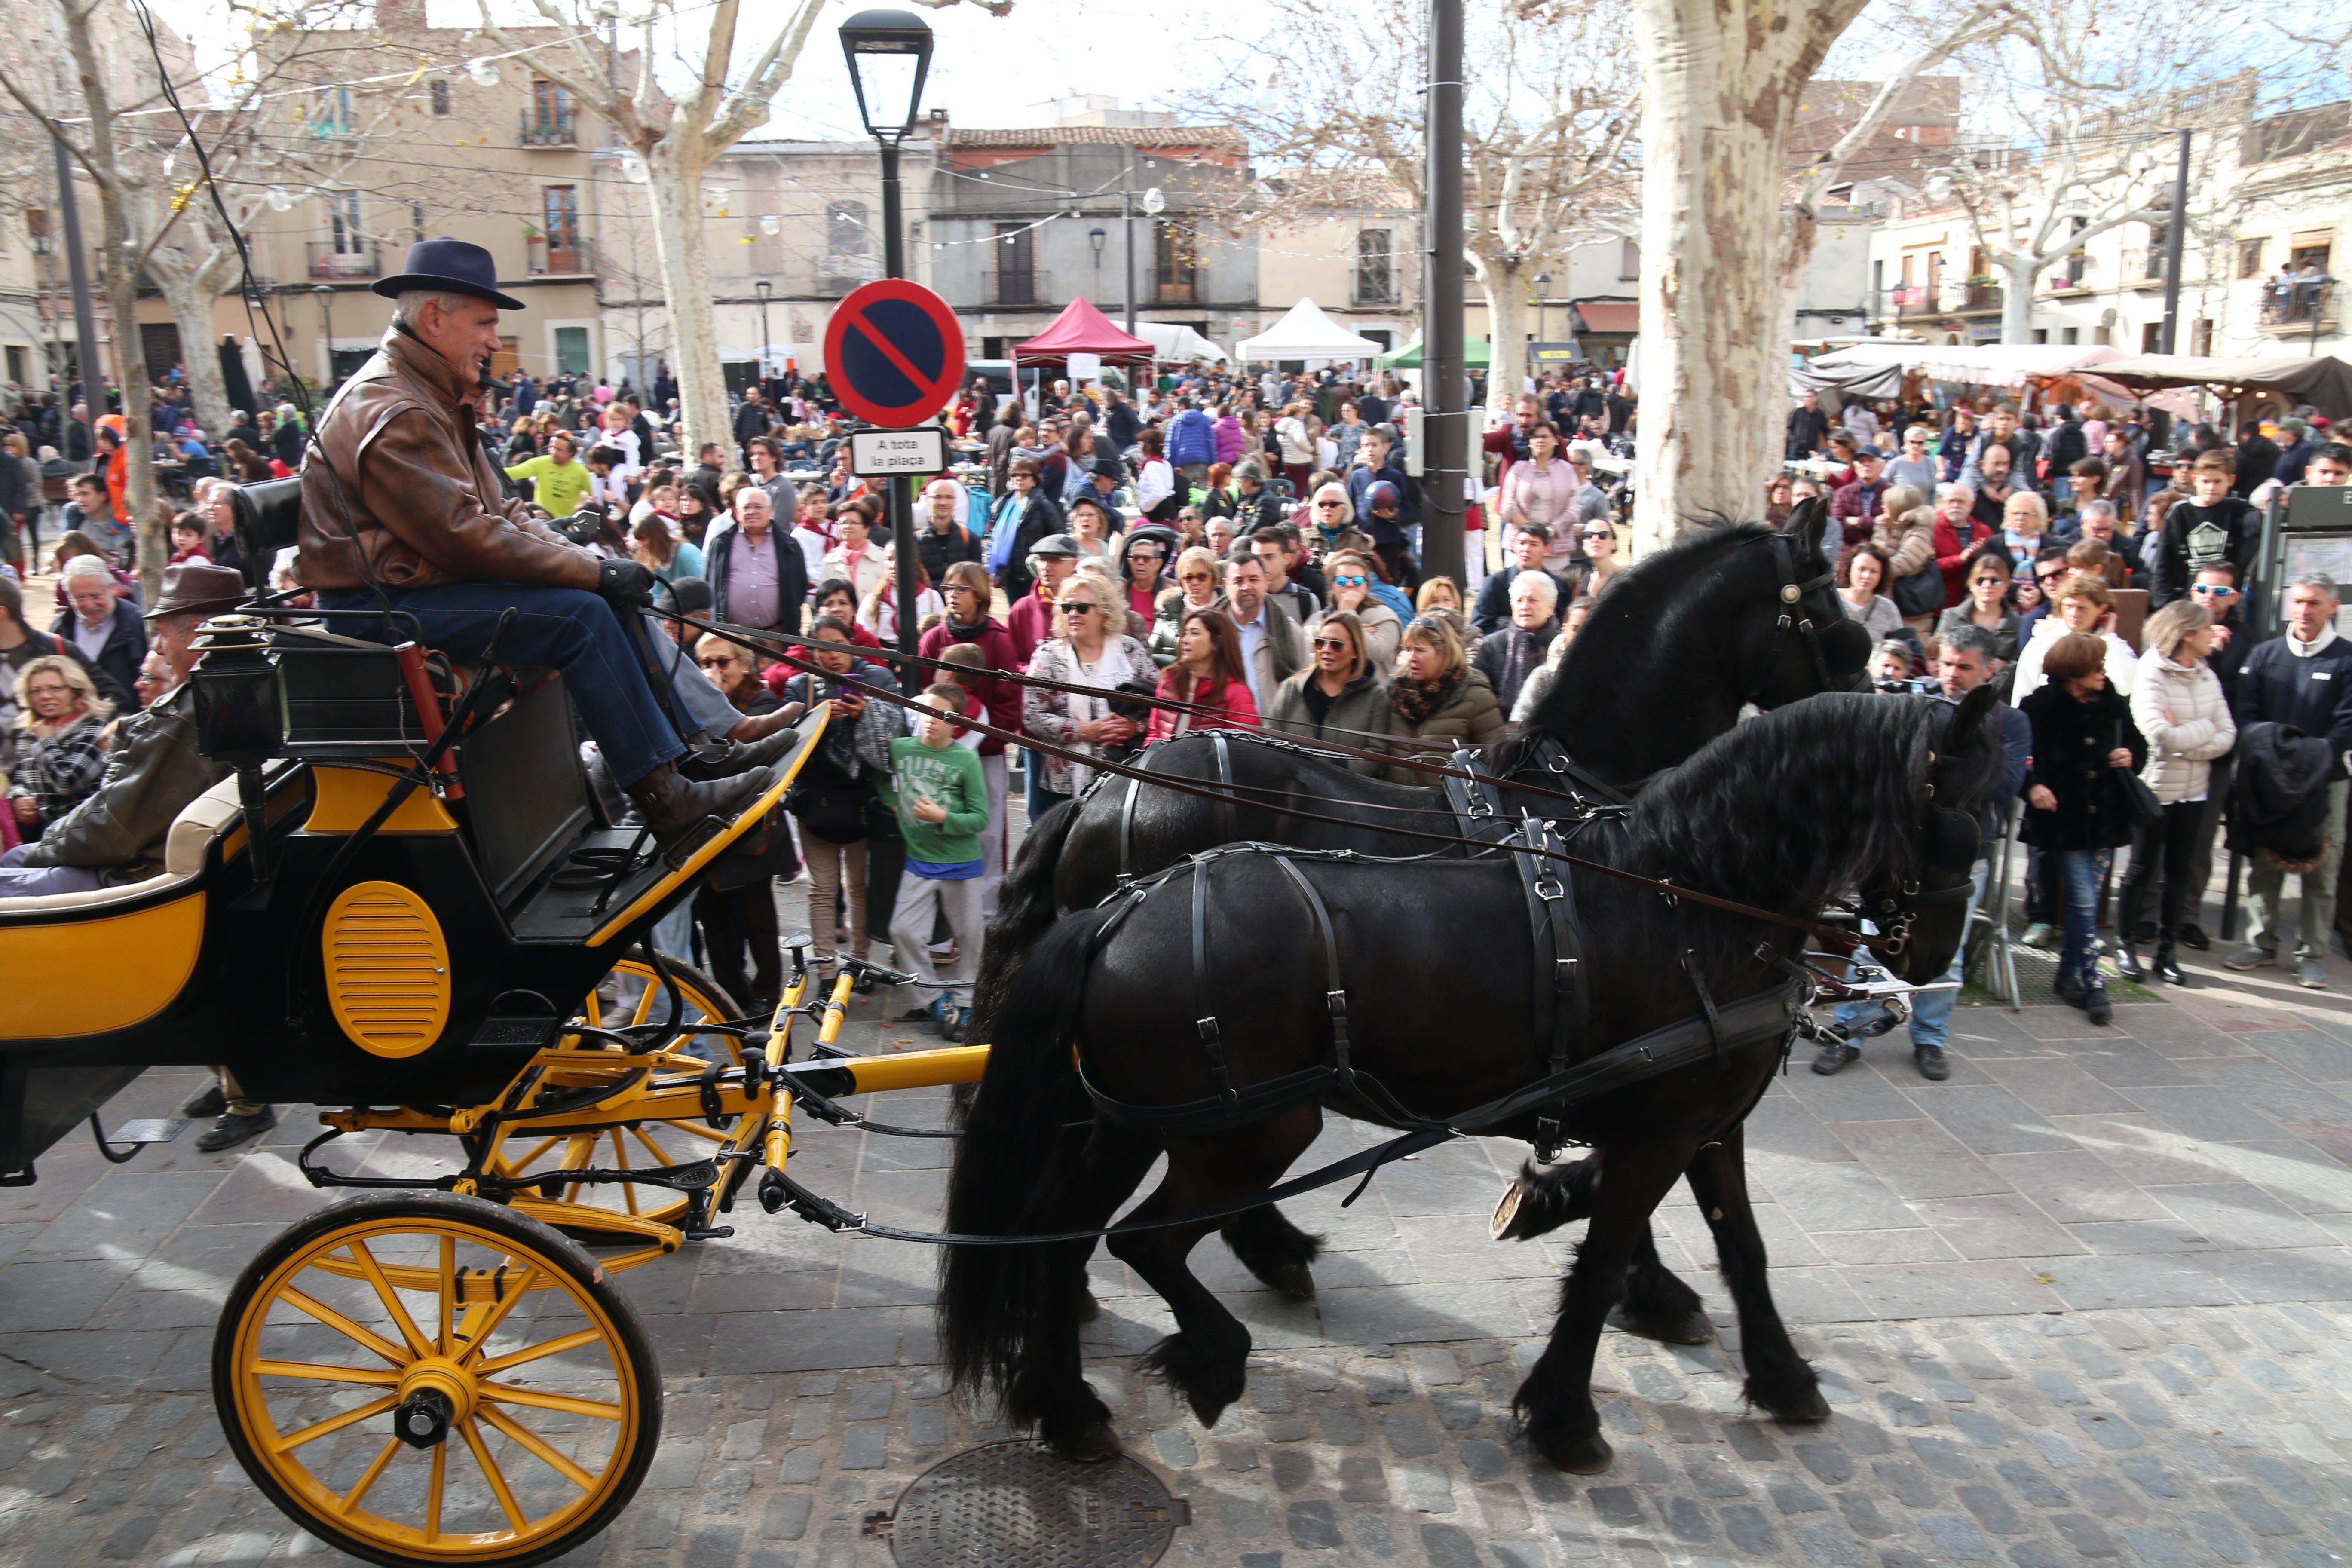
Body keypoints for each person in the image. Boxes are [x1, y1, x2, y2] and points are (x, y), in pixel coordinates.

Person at [296, 240, 775, 848]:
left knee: (603, 595)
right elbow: (466, 536)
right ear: (435, 319)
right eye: (486, 323)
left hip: (414, 589)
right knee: (579, 616)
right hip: (375, 610)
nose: (496, 341)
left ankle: (699, 755)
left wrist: (590, 565)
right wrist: (589, 576)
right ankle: (664, 801)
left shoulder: (427, 393)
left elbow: (502, 510)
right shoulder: (396, 409)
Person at [1818, 624, 2029, 1079]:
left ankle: (1930, 1041)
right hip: (1904, 850)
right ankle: (1845, 1034)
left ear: (1990, 669)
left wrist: (1943, 767)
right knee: (1871, 943)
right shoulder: (1915, 706)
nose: (1952, 675)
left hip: (1960, 855)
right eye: (1947, 664)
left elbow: (2006, 783)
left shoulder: (2008, 721)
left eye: (1964, 667)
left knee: (1946, 954)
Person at [2226, 573, 2352, 989]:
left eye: (2314, 603)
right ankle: (2260, 945)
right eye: (2298, 601)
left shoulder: (2347, 659)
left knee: (2322, 871)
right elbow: (2247, 715)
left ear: (2333, 607)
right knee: (2264, 864)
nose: (2304, 610)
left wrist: (2310, 763)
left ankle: (2312, 954)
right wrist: (2273, 761)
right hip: (2269, 782)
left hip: (2326, 781)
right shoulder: (2265, 655)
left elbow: (2347, 724)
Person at [2019, 630, 2147, 1025]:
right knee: (2085, 900)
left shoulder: (2113, 703)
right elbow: (2019, 756)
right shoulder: (2038, 707)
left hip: (2105, 818)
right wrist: (2034, 786)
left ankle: (2065, 975)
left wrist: (2131, 755)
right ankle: (2093, 982)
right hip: (2065, 819)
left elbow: (2139, 744)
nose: (2103, 671)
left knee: (2083, 903)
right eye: (2096, 665)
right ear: (2073, 670)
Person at [2113, 598, 2236, 988]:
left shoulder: (2206, 674)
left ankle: (2168, 951)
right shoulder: (2150, 672)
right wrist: (2203, 730)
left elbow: (2229, 735)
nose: (2213, 635)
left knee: (2179, 872)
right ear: (2187, 634)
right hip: (2156, 789)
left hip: (2195, 791)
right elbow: (2159, 736)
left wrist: (2189, 737)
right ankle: (2125, 944)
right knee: (2141, 869)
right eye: (2207, 629)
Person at [775, 618, 900, 982]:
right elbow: (790, 742)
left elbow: (896, 737)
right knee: (822, 889)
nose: (832, 656)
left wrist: (866, 715)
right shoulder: (802, 686)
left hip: (862, 802)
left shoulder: (877, 679)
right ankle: (827, 971)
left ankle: (860, 965)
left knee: (860, 888)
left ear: (852, 642)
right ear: (812, 653)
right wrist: (821, 717)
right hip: (815, 803)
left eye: (838, 645)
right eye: (821, 648)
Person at [686, 634, 794, 1015]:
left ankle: (767, 995)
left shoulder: (762, 702)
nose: (714, 671)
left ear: (744, 664)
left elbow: (739, 758)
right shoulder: (686, 703)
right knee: (716, 925)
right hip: (708, 830)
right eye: (705, 664)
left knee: (758, 919)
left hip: (753, 831)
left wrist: (713, 707)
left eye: (722, 662)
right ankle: (733, 996)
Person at [882, 685, 991, 1040]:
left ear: (956, 723)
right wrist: (893, 801)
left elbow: (980, 818)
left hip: (961, 863)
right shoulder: (901, 749)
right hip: (920, 860)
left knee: (971, 937)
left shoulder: (966, 760)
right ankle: (933, 998)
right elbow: (879, 775)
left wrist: (944, 816)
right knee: (902, 930)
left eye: (940, 715)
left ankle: (967, 1001)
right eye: (926, 711)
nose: (930, 720)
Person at [919, 561, 1019, 917]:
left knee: (989, 837)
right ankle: (945, 927)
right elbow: (920, 695)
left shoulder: (998, 640)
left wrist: (983, 741)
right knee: (942, 834)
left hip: (985, 757)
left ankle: (988, 917)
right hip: (940, 759)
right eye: (948, 588)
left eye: (962, 589)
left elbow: (1010, 704)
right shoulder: (934, 639)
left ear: (979, 594)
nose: (953, 596)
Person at [1021, 574, 1150, 810]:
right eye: (1067, 607)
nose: (1073, 614)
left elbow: (1162, 705)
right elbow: (1033, 715)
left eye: (1082, 608)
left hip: (1126, 780)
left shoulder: (1130, 650)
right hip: (1064, 786)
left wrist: (1136, 727)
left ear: (1105, 612)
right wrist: (1083, 731)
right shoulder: (1048, 657)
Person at [1266, 609, 1391, 775]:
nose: (1326, 650)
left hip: (1345, 793)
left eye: (1336, 645)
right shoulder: (1292, 687)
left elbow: (1377, 754)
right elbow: (1269, 736)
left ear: (1355, 652)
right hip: (1292, 787)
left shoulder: (1375, 697)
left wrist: (1336, 771)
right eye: (1320, 643)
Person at [1383, 614, 1502, 782]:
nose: (1412, 658)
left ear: (1445, 653)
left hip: (1448, 803)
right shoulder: (1396, 690)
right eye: (1408, 650)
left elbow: (1496, 761)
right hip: (1397, 798)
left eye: (1420, 650)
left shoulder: (1475, 696)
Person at [6, 655, 112, 839]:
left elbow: (68, 783)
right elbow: (21, 780)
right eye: (35, 691)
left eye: (56, 688)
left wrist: (46, 742)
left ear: (76, 691)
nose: (45, 697)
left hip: (80, 831)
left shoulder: (95, 729)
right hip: (41, 833)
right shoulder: (31, 732)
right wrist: (20, 798)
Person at [2150, 454, 2259, 607]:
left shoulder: (2238, 510)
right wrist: (2163, 603)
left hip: (2224, 600)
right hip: (2187, 598)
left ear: (2231, 481)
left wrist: (2270, 509)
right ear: (2195, 480)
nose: (2211, 487)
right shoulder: (2180, 513)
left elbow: (2257, 524)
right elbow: (2164, 561)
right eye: (2206, 481)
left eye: (2217, 482)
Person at [2012, 572, 2137, 700]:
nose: (2074, 614)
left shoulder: (2114, 643)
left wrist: (2109, 637)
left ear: (2101, 609)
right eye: (2069, 606)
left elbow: (2126, 686)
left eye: (2082, 608)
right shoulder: (2043, 643)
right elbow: (2023, 692)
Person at [1147, 607, 1261, 741]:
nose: (1185, 640)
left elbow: (1244, 750)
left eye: (1195, 633)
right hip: (1163, 761)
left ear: (1216, 643)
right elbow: (1154, 734)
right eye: (1185, 633)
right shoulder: (1170, 680)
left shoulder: (1236, 693)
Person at [1215, 551, 1304, 715]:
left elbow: (1305, 688)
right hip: (1219, 731)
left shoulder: (1290, 632)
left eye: (1254, 579)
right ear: (1226, 585)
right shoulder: (1209, 630)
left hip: (1272, 735)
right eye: (1239, 581)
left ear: (1266, 580)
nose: (1247, 587)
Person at [52, 555, 147, 707]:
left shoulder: (139, 625)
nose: (89, 605)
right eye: (80, 598)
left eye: (95, 596)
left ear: (111, 587)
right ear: (69, 597)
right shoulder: (61, 627)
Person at [1473, 570, 1560, 713]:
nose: (1525, 607)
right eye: (1519, 600)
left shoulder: (1561, 645)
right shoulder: (1492, 645)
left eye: (1533, 600)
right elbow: (1478, 694)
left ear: (1551, 607)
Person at [1307, 549, 1403, 670]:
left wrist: (1347, 615)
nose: (1350, 585)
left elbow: (1377, 653)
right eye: (1342, 581)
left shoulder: (1385, 616)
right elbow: (1307, 656)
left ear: (1367, 587)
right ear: (1332, 586)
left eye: (1358, 581)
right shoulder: (1318, 618)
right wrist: (1355, 633)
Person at [1935, 553, 2021, 662]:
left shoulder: (2019, 624)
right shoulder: (1951, 617)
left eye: (1995, 581)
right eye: (1980, 581)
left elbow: (2020, 662)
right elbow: (1936, 654)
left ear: (2006, 586)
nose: (1987, 585)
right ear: (1971, 585)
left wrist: (2000, 667)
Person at [504, 430, 593, 518]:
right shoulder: (541, 463)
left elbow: (592, 497)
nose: (553, 452)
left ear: (571, 453)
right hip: (543, 521)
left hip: (566, 524)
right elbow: (514, 472)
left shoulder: (581, 471)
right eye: (552, 447)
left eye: (559, 450)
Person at [820, 502, 888, 602]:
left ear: (866, 528)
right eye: (843, 523)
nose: (847, 527)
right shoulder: (830, 560)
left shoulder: (882, 558)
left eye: (853, 522)